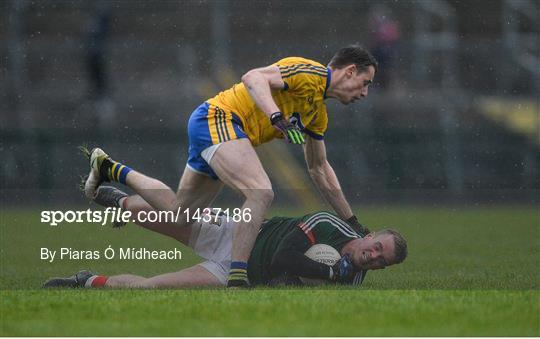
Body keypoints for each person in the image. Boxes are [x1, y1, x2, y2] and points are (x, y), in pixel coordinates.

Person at [83, 45, 378, 287]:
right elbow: (253, 78)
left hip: (220, 132)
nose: (365, 93)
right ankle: (238, 276)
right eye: (365, 83)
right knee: (261, 192)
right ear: (350, 71)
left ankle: (110, 168)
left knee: (179, 214)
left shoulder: (318, 114)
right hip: (219, 119)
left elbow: (320, 169)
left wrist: (351, 221)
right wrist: (276, 116)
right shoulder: (309, 72)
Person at [44, 186, 406, 288]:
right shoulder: (329, 224)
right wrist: (329, 273)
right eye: (376, 246)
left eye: (381, 260)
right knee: (156, 214)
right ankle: (120, 198)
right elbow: (282, 259)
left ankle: (87, 280)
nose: (373, 256)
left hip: (233, 272)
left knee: (151, 287)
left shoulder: (354, 280)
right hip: (234, 231)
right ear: (369, 235)